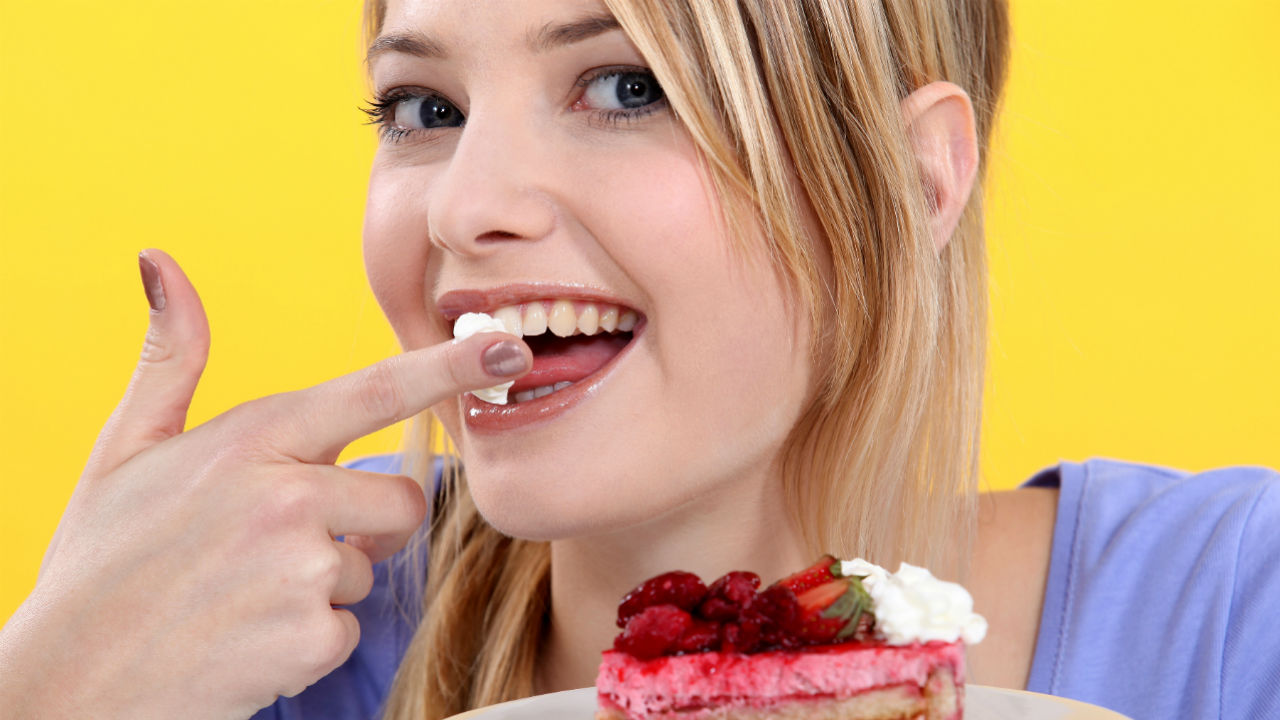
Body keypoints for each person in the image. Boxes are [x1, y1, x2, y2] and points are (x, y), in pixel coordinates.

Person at [1, 1, 1276, 719]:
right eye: (424, 111)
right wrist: (52, 691)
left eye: (623, 88)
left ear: (910, 178)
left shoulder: (1233, 619)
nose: (462, 208)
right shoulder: (260, 649)